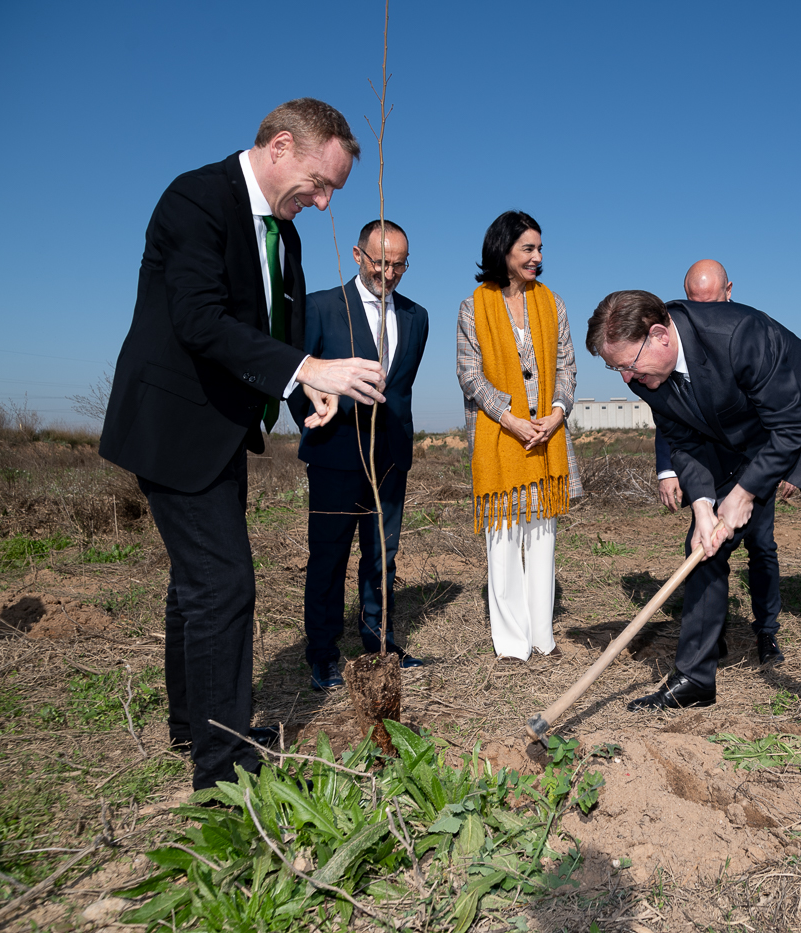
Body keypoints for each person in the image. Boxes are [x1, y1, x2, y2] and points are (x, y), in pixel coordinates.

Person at [100, 99, 386, 790]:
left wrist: (303, 393)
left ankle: (195, 723)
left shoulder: (285, 237)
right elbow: (199, 320)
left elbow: (274, 338)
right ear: (280, 146)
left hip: (221, 431)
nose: (323, 203)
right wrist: (311, 369)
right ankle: (222, 767)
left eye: (333, 192)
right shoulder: (196, 200)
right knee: (223, 585)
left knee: (194, 584)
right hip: (172, 426)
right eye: (320, 183)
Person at [585, 290, 801, 764]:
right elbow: (683, 441)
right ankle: (695, 678)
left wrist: (745, 492)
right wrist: (703, 507)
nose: (627, 379)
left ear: (659, 335)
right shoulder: (646, 372)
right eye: (616, 369)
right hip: (744, 434)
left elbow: (791, 424)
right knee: (705, 547)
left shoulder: (737, 333)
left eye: (628, 365)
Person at [292, 219, 429, 691]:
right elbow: (298, 377)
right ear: (357, 255)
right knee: (328, 558)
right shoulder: (319, 307)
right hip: (334, 454)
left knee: (382, 556)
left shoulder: (416, 316)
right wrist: (314, 414)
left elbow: (402, 388)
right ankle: (323, 654)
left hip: (390, 458)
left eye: (399, 265)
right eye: (380, 263)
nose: (389, 274)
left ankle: (380, 643)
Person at [456, 211, 581, 661]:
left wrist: (557, 413)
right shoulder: (473, 306)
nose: (537, 257)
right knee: (504, 541)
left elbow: (567, 366)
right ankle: (511, 643)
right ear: (503, 250)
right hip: (500, 437)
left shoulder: (553, 303)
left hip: (547, 438)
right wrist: (510, 419)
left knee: (542, 539)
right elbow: (469, 375)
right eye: (528, 248)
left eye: (540, 249)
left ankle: (541, 637)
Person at [654, 260, 783, 666]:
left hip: (755, 462)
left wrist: (784, 466)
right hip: (708, 464)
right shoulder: (676, 339)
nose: (702, 313)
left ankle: (767, 631)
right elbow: (670, 412)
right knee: (705, 547)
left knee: (761, 546)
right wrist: (668, 469)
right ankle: (711, 638)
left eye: (710, 302)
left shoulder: (745, 335)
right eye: (694, 303)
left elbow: (781, 412)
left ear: (729, 291)